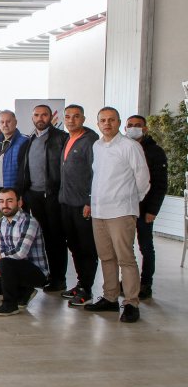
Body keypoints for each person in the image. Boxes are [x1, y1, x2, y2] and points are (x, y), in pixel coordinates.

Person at [84, 107, 150, 323]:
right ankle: (110, 297)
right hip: (99, 211)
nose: (107, 124)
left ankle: (131, 302)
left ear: (119, 122)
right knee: (106, 257)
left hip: (121, 212)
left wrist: (129, 200)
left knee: (125, 258)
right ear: (98, 124)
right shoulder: (97, 146)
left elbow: (143, 179)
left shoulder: (129, 146)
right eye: (103, 120)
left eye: (111, 120)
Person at [15, 104, 68, 292]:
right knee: (41, 238)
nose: (40, 118)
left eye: (44, 115)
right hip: (33, 196)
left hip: (52, 196)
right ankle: (47, 274)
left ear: (50, 117)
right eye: (37, 115)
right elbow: (23, 170)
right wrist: (22, 194)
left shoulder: (61, 138)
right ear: (32, 118)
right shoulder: (29, 140)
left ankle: (59, 279)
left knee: (56, 238)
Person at [0, 187, 49, 316]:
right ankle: (24, 292)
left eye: (9, 201)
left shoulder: (28, 221)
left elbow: (21, 253)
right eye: (1, 201)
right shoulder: (2, 222)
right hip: (12, 268)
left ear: (19, 202)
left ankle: (10, 305)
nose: (5, 205)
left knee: (5, 262)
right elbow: (3, 248)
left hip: (35, 272)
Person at [58, 105, 99, 305]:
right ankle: (80, 284)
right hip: (66, 202)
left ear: (83, 118)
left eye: (76, 117)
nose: (71, 120)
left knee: (86, 247)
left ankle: (87, 289)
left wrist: (89, 201)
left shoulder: (90, 140)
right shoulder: (68, 138)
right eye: (68, 117)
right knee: (74, 246)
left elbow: (96, 173)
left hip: (82, 205)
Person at [126, 114, 168, 299]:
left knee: (145, 247)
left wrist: (152, 210)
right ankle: (128, 281)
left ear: (145, 128)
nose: (133, 128)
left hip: (144, 209)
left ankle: (145, 283)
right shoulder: (124, 147)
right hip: (125, 207)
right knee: (126, 248)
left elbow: (160, 184)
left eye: (137, 125)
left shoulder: (155, 151)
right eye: (130, 125)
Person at [0, 110, 28, 189]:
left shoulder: (24, 142)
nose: (5, 125)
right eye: (2, 122)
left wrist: (18, 192)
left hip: (11, 190)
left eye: (8, 121)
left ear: (15, 122)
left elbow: (24, 172)